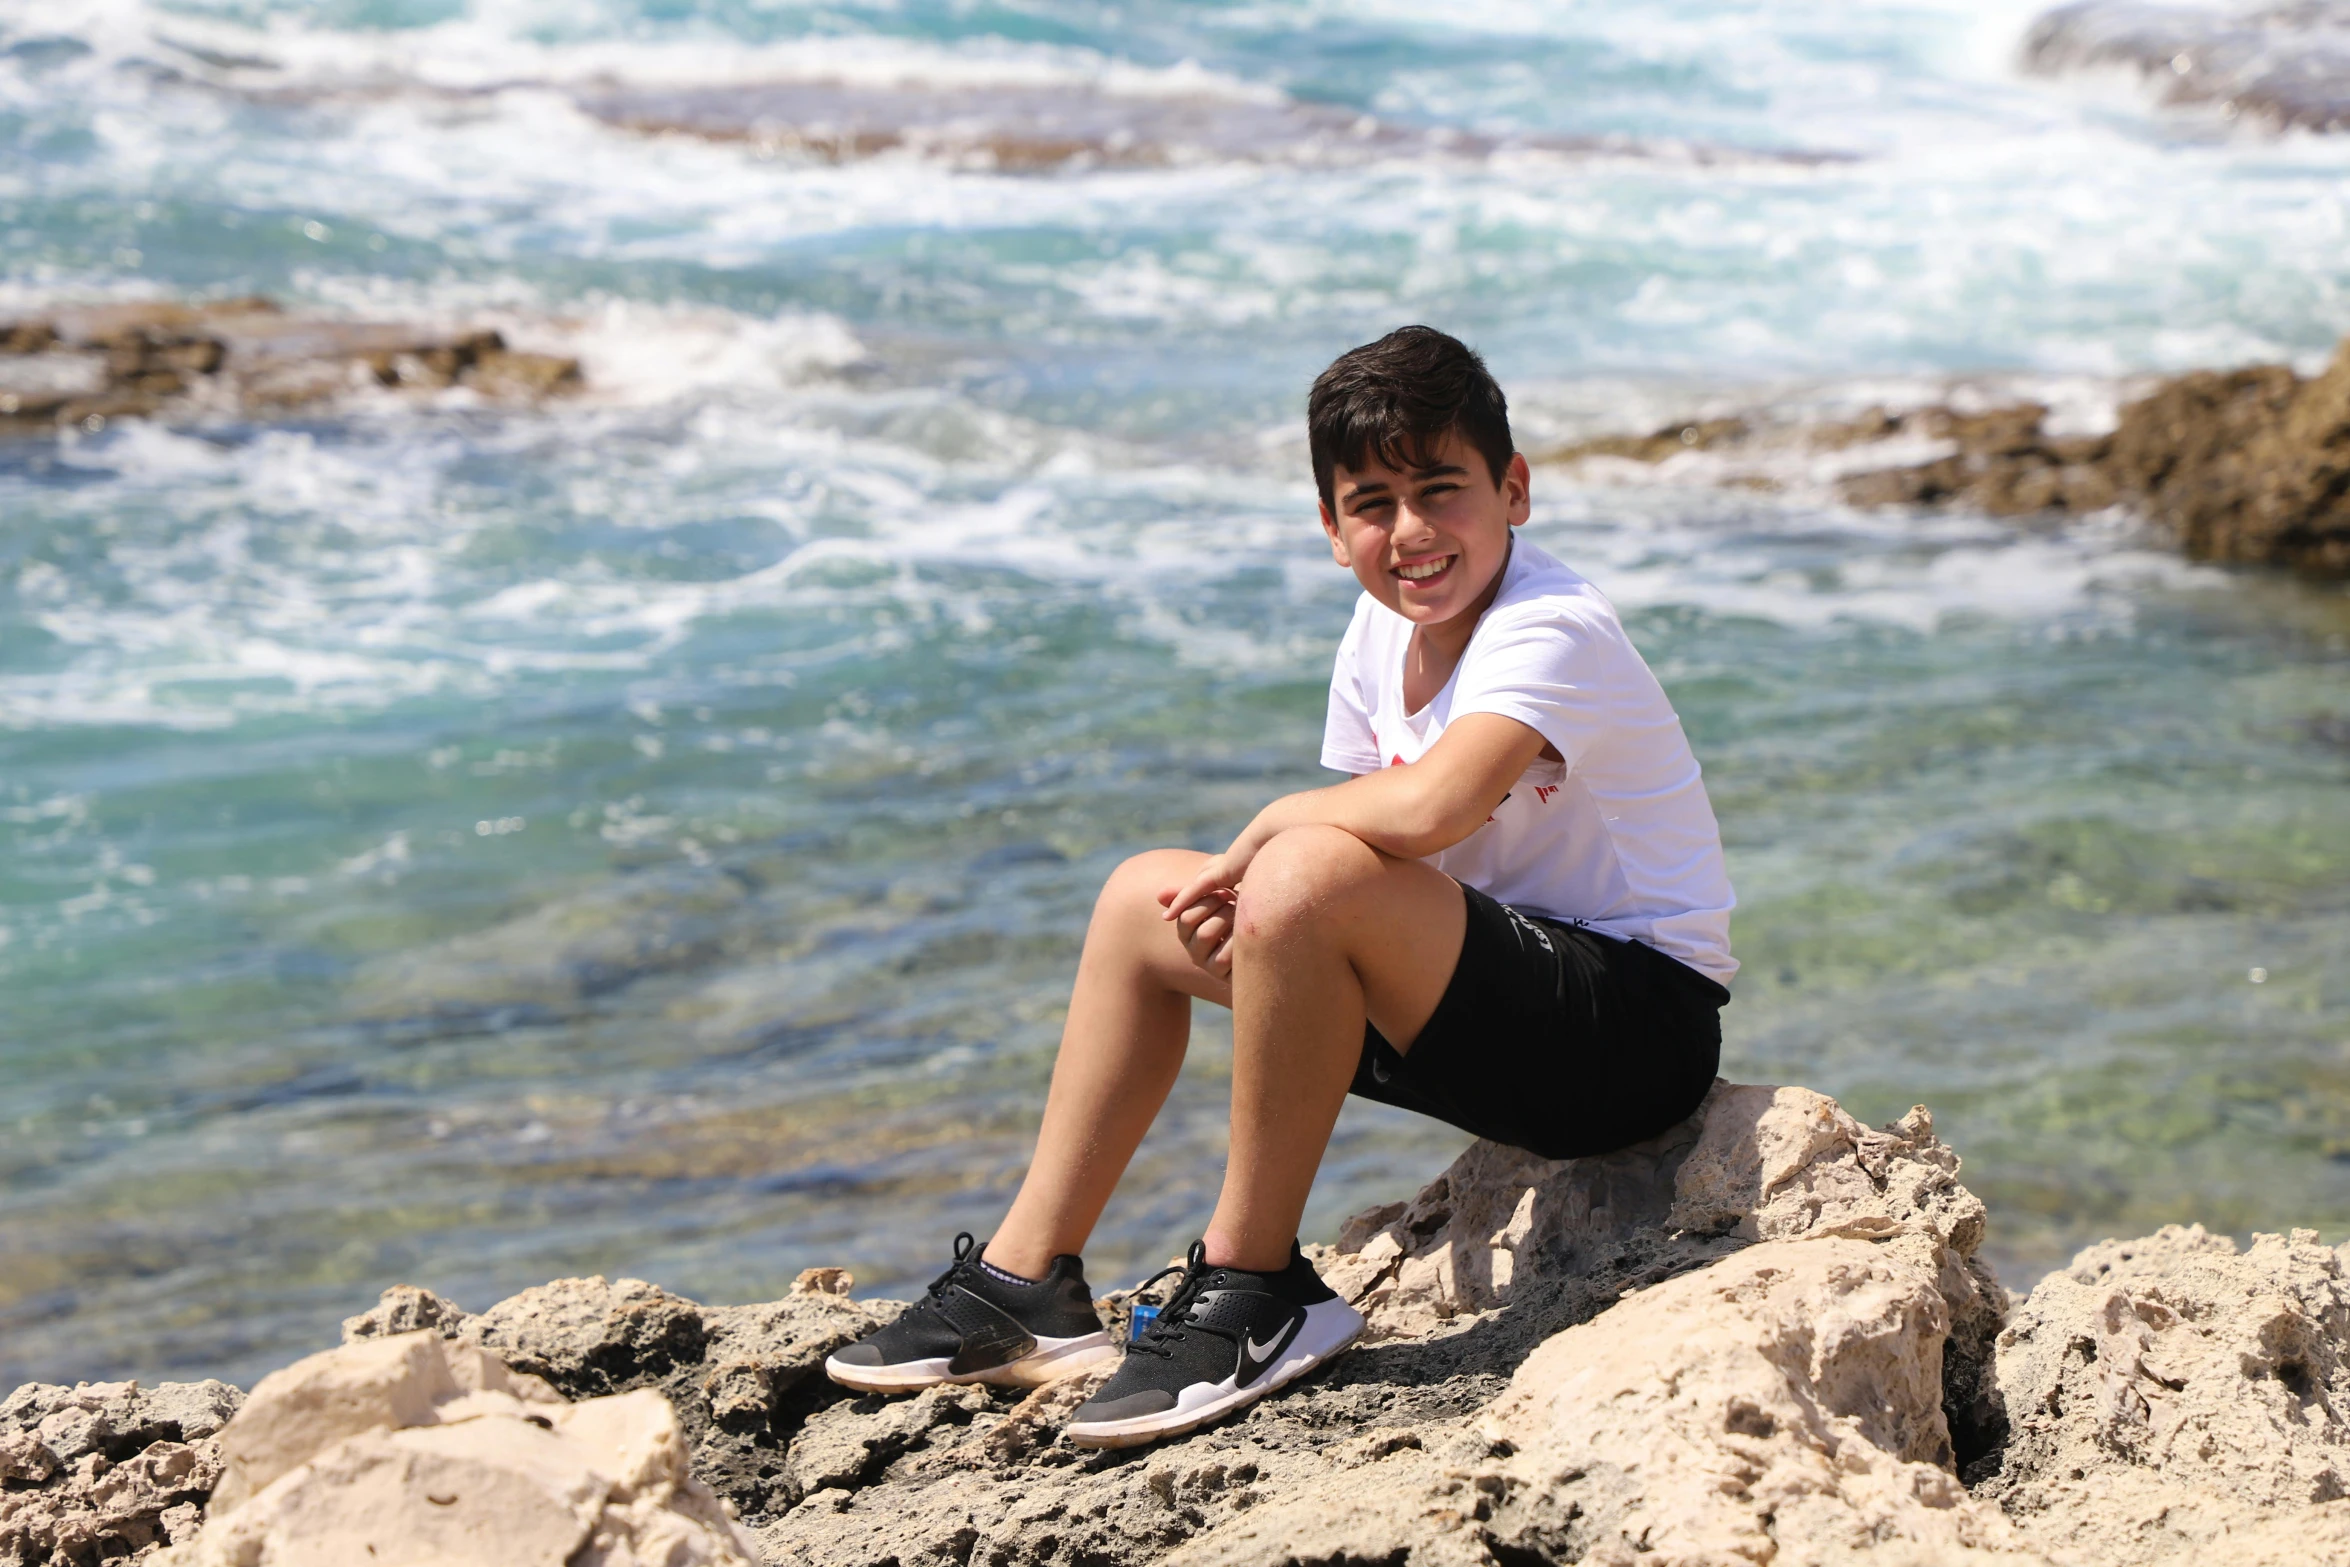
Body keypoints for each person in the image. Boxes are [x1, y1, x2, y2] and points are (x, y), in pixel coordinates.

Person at [824, 325, 1737, 1450]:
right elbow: (1379, 861)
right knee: (1139, 904)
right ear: (1328, 525)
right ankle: (1025, 1285)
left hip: (1634, 1035)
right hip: (1489, 1015)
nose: (1409, 533)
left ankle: (1257, 1283)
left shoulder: (1552, 625)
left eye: (1441, 491)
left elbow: (1423, 813)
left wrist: (1270, 834)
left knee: (1298, 868)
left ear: (1514, 490)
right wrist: (1266, 904)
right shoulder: (1377, 630)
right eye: (1370, 503)